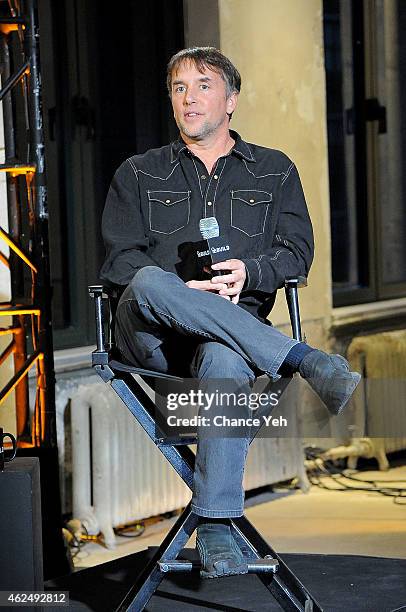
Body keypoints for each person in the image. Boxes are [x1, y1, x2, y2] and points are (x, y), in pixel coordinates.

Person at [100, 47, 360, 579]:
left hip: (230, 334)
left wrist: (252, 273)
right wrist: (183, 290)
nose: (189, 96)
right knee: (151, 278)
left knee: (223, 356)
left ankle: (217, 525)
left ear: (232, 100)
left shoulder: (274, 170)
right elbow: (121, 260)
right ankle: (305, 360)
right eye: (179, 87)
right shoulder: (139, 172)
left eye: (202, 84)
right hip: (150, 332)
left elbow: (295, 253)